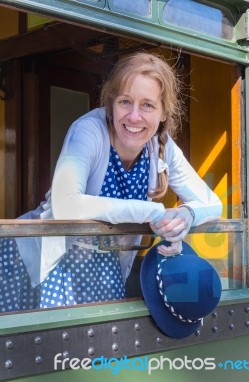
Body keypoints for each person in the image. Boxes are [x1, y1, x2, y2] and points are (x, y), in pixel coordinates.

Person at [0, 52, 222, 312]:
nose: (134, 116)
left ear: (164, 112)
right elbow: (65, 205)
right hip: (40, 262)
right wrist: (152, 212)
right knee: (53, 347)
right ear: (111, 103)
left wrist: (186, 214)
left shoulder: (162, 146)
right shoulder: (89, 130)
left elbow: (212, 204)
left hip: (108, 266)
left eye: (148, 105)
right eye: (125, 102)